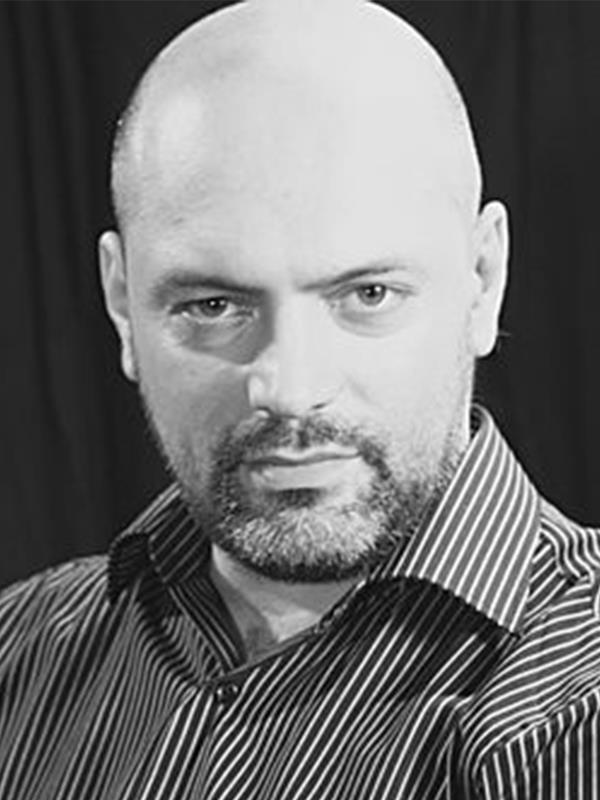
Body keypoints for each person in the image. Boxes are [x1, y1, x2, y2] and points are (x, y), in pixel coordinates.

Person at [1, 0, 599, 797]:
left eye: (369, 295)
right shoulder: (20, 655)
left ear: (483, 281)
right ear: (121, 303)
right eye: (214, 306)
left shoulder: (577, 709)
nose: (289, 388)